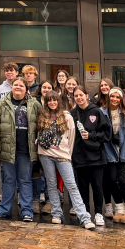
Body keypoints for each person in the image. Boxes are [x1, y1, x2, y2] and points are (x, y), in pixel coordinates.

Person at [37, 91, 95, 229]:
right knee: (51, 184)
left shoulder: (67, 117)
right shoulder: (42, 116)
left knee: (71, 185)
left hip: (63, 155)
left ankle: (84, 217)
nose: (52, 103)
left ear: (59, 101)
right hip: (45, 154)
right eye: (49, 101)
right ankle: (56, 213)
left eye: (54, 100)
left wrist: (67, 154)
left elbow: (71, 138)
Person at [0, 77, 40, 222]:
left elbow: (41, 124)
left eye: (21, 85)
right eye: (15, 85)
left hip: (26, 150)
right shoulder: (2, 104)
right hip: (7, 149)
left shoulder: (35, 104)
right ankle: (4, 209)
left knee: (25, 180)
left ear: (26, 89)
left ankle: (27, 211)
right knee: (8, 180)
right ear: (12, 87)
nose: (18, 87)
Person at [71, 84, 111, 225]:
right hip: (80, 156)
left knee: (97, 186)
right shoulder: (72, 114)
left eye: (81, 95)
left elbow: (106, 134)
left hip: (96, 156)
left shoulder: (96, 112)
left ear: (87, 96)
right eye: (76, 96)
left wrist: (91, 136)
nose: (79, 98)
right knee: (82, 186)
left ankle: (99, 213)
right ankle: (86, 211)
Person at [101, 87, 125, 223]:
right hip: (110, 152)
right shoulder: (103, 113)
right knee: (112, 181)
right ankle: (119, 208)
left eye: (117, 97)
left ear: (121, 99)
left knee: (123, 180)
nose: (114, 99)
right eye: (112, 96)